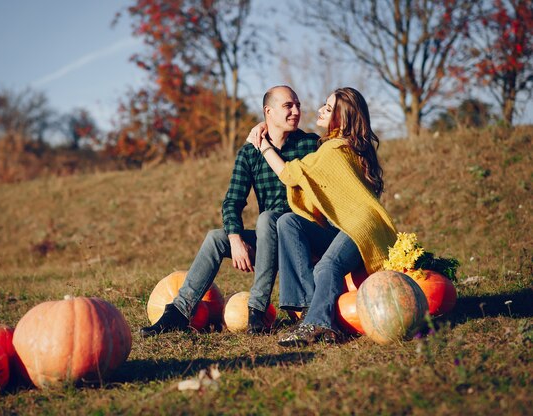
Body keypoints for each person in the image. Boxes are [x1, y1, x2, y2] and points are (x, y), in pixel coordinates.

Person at [140, 85, 319, 337]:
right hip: (269, 241)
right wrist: (235, 239)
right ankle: (179, 312)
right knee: (217, 238)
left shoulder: (311, 145)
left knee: (268, 218)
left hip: (302, 241)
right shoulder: (250, 153)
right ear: (268, 112)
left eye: (298, 105)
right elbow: (232, 202)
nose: (296, 111)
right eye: (288, 106)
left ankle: (256, 310)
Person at [246, 87, 398, 347]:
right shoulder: (344, 147)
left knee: (328, 266)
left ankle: (321, 324)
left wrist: (263, 146)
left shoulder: (334, 150)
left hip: (362, 227)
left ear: (340, 118)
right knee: (288, 221)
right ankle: (307, 309)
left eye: (328, 109)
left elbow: (291, 175)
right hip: (345, 225)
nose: (320, 110)